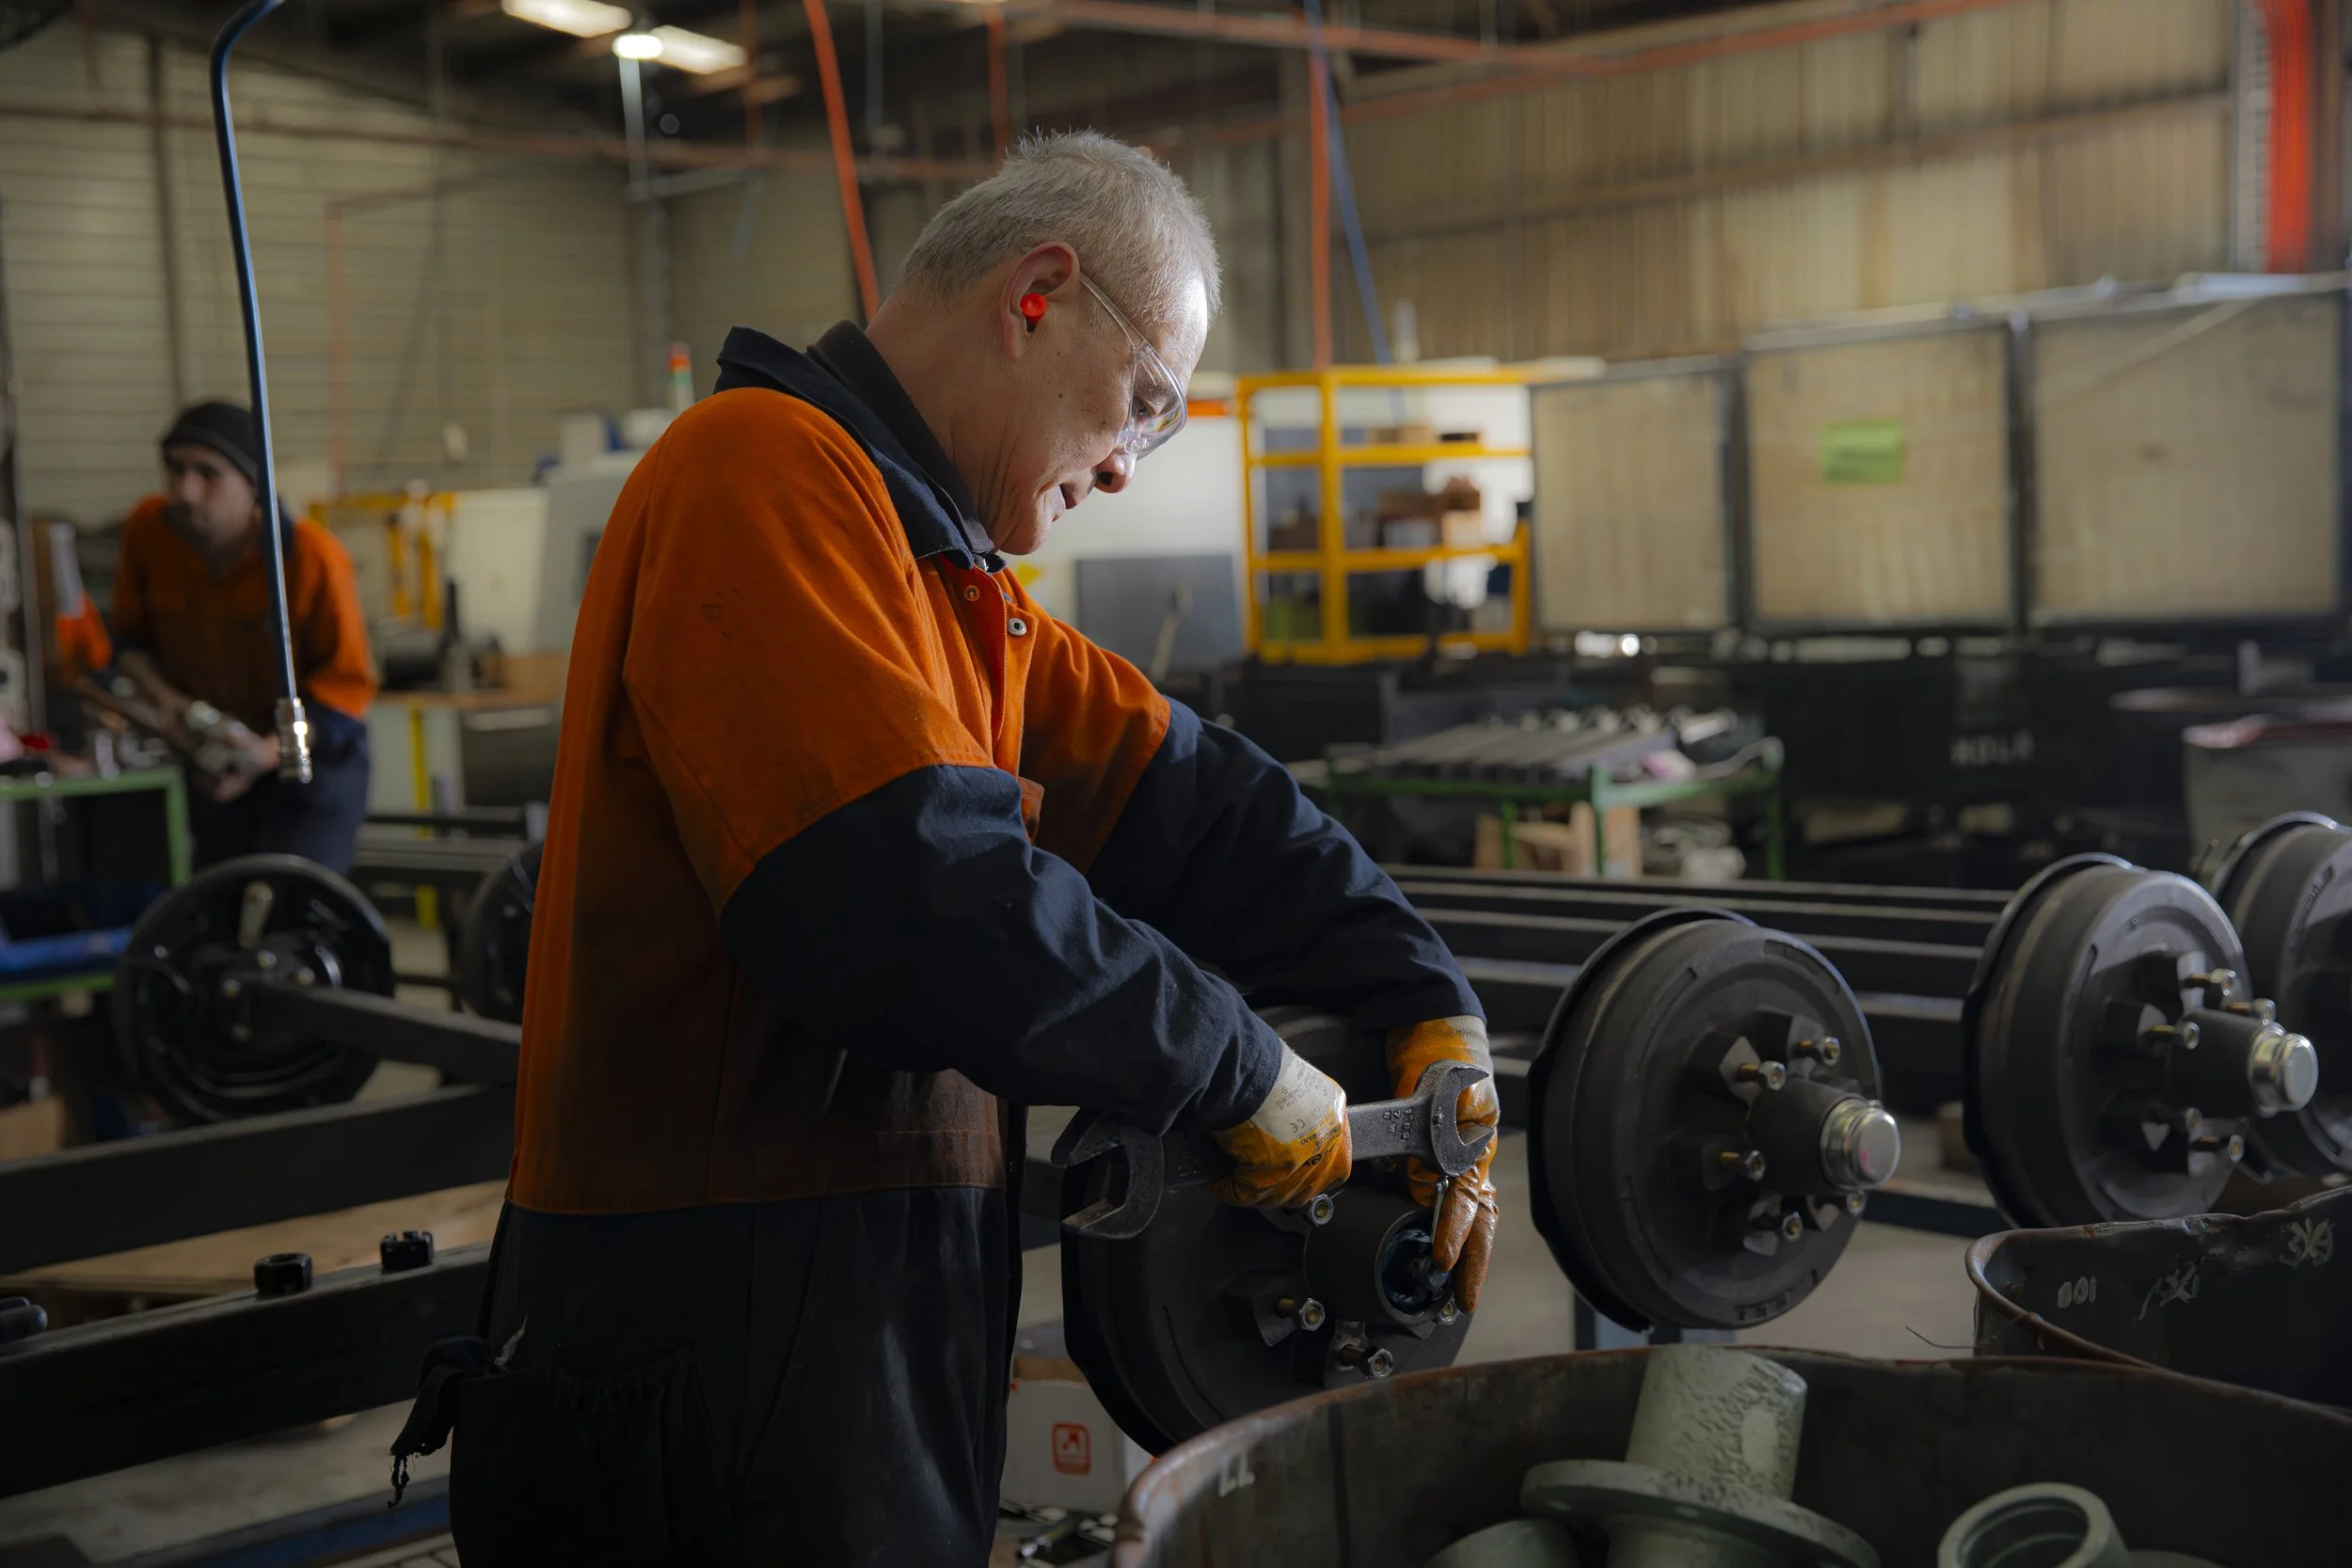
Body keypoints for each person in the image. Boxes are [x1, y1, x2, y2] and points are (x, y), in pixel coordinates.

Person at [395, 132, 1499, 1566]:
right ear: (1039, 293)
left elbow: (1205, 806)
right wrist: (1239, 1066)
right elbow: (907, 895)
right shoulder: (763, 473)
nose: (1126, 467)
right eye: (1145, 404)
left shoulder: (951, 590)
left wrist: (1426, 999)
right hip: (706, 1337)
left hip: (854, 1306)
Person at [110, 402, 375, 872]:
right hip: (211, 760)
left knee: (292, 903)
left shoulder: (314, 560)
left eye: (209, 474)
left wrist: (267, 752)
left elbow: (344, 696)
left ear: (254, 486)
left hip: (306, 765)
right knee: (217, 907)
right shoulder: (147, 533)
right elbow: (130, 647)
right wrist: (177, 712)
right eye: (175, 469)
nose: (185, 491)